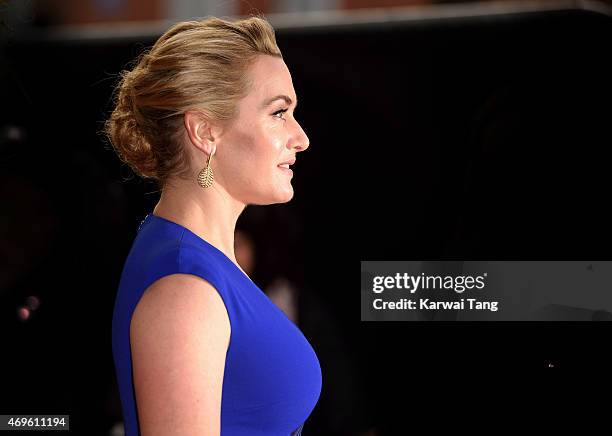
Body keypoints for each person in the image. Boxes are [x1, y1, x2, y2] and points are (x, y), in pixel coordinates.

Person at [106, 15, 319, 436]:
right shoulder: (184, 288)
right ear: (205, 131)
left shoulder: (198, 262)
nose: (301, 138)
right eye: (279, 112)